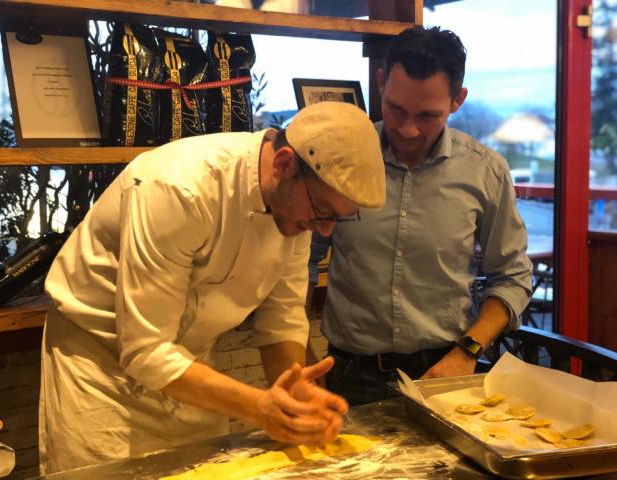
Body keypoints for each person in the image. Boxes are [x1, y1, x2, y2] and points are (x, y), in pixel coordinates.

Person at [39, 101, 386, 474]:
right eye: (323, 212)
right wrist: (258, 407)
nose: (325, 230)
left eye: (338, 218)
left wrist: (292, 392)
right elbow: (146, 349)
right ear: (284, 164)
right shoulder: (179, 188)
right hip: (102, 375)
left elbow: (282, 318)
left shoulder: (296, 206)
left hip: (191, 368)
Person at [308, 26, 533, 406]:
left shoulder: (485, 171)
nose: (408, 129)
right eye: (396, 108)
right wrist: (301, 355)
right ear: (381, 82)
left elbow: (512, 276)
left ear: (458, 100)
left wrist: (468, 350)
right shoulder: (340, 160)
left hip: (446, 369)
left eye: (427, 115)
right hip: (350, 374)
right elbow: (299, 261)